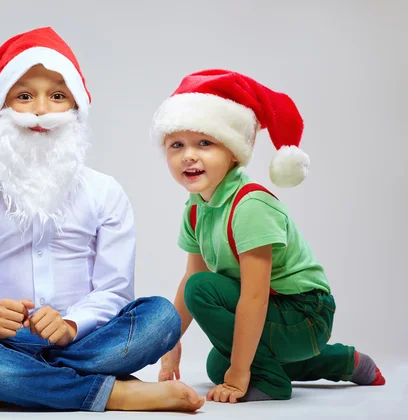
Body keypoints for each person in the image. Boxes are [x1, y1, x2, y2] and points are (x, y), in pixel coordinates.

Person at [0, 27, 204, 413]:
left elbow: (114, 292)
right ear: (2, 110)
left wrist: (71, 325)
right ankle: (117, 394)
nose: (40, 110)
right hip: (7, 344)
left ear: (76, 109)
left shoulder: (106, 192)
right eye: (24, 96)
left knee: (160, 319)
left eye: (57, 96)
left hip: (87, 341)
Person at [153, 69, 385, 403]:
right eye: (177, 145)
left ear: (234, 151)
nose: (189, 155)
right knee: (218, 364)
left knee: (205, 298)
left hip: (304, 312)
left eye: (205, 142)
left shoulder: (249, 205)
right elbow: (193, 271)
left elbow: (254, 296)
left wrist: (240, 374)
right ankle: (343, 362)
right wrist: (170, 342)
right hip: (276, 313)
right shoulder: (196, 208)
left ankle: (272, 383)